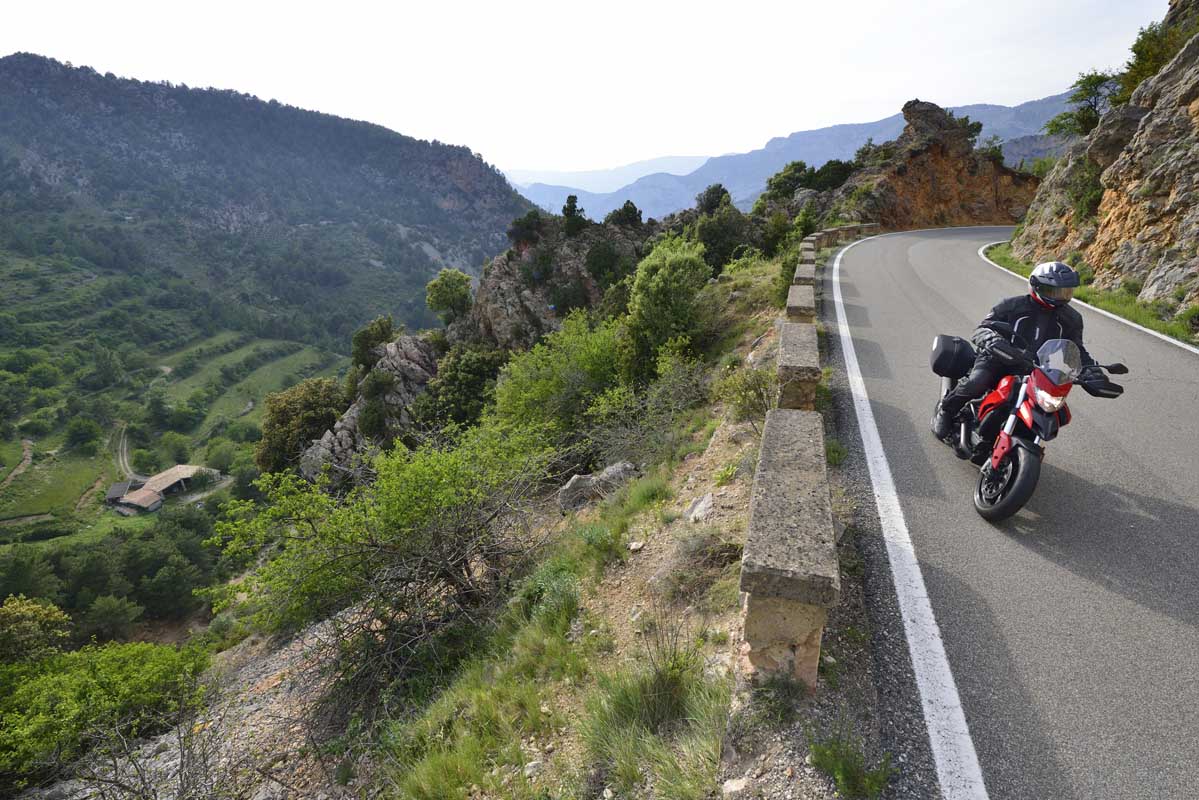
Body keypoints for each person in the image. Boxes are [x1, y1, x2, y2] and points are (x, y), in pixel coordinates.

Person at [932, 261, 1095, 439]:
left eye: (1066, 291)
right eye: (1054, 291)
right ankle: (946, 410)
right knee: (977, 382)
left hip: (1036, 370)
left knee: (1054, 410)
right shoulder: (1013, 305)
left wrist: (1092, 370)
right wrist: (994, 341)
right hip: (997, 359)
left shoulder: (1072, 318)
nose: (1061, 297)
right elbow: (983, 329)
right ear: (1037, 286)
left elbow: (1077, 349)